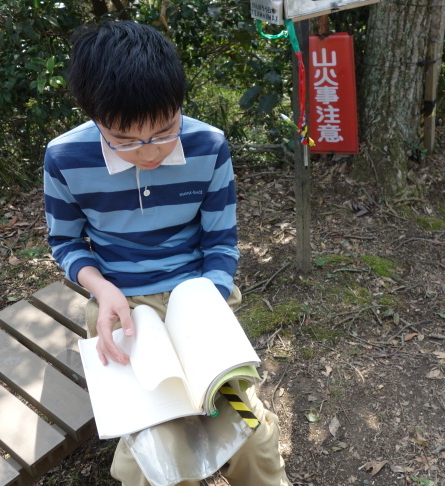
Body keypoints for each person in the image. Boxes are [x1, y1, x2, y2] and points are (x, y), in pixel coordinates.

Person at [43, 20, 291, 486]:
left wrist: (207, 303)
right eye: (126, 139)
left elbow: (220, 240)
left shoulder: (209, 145)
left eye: (164, 130)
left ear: (179, 105)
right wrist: (103, 290)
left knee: (247, 428)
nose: (149, 152)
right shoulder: (65, 157)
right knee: (157, 444)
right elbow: (66, 242)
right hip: (124, 307)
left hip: (197, 299)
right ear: (95, 117)